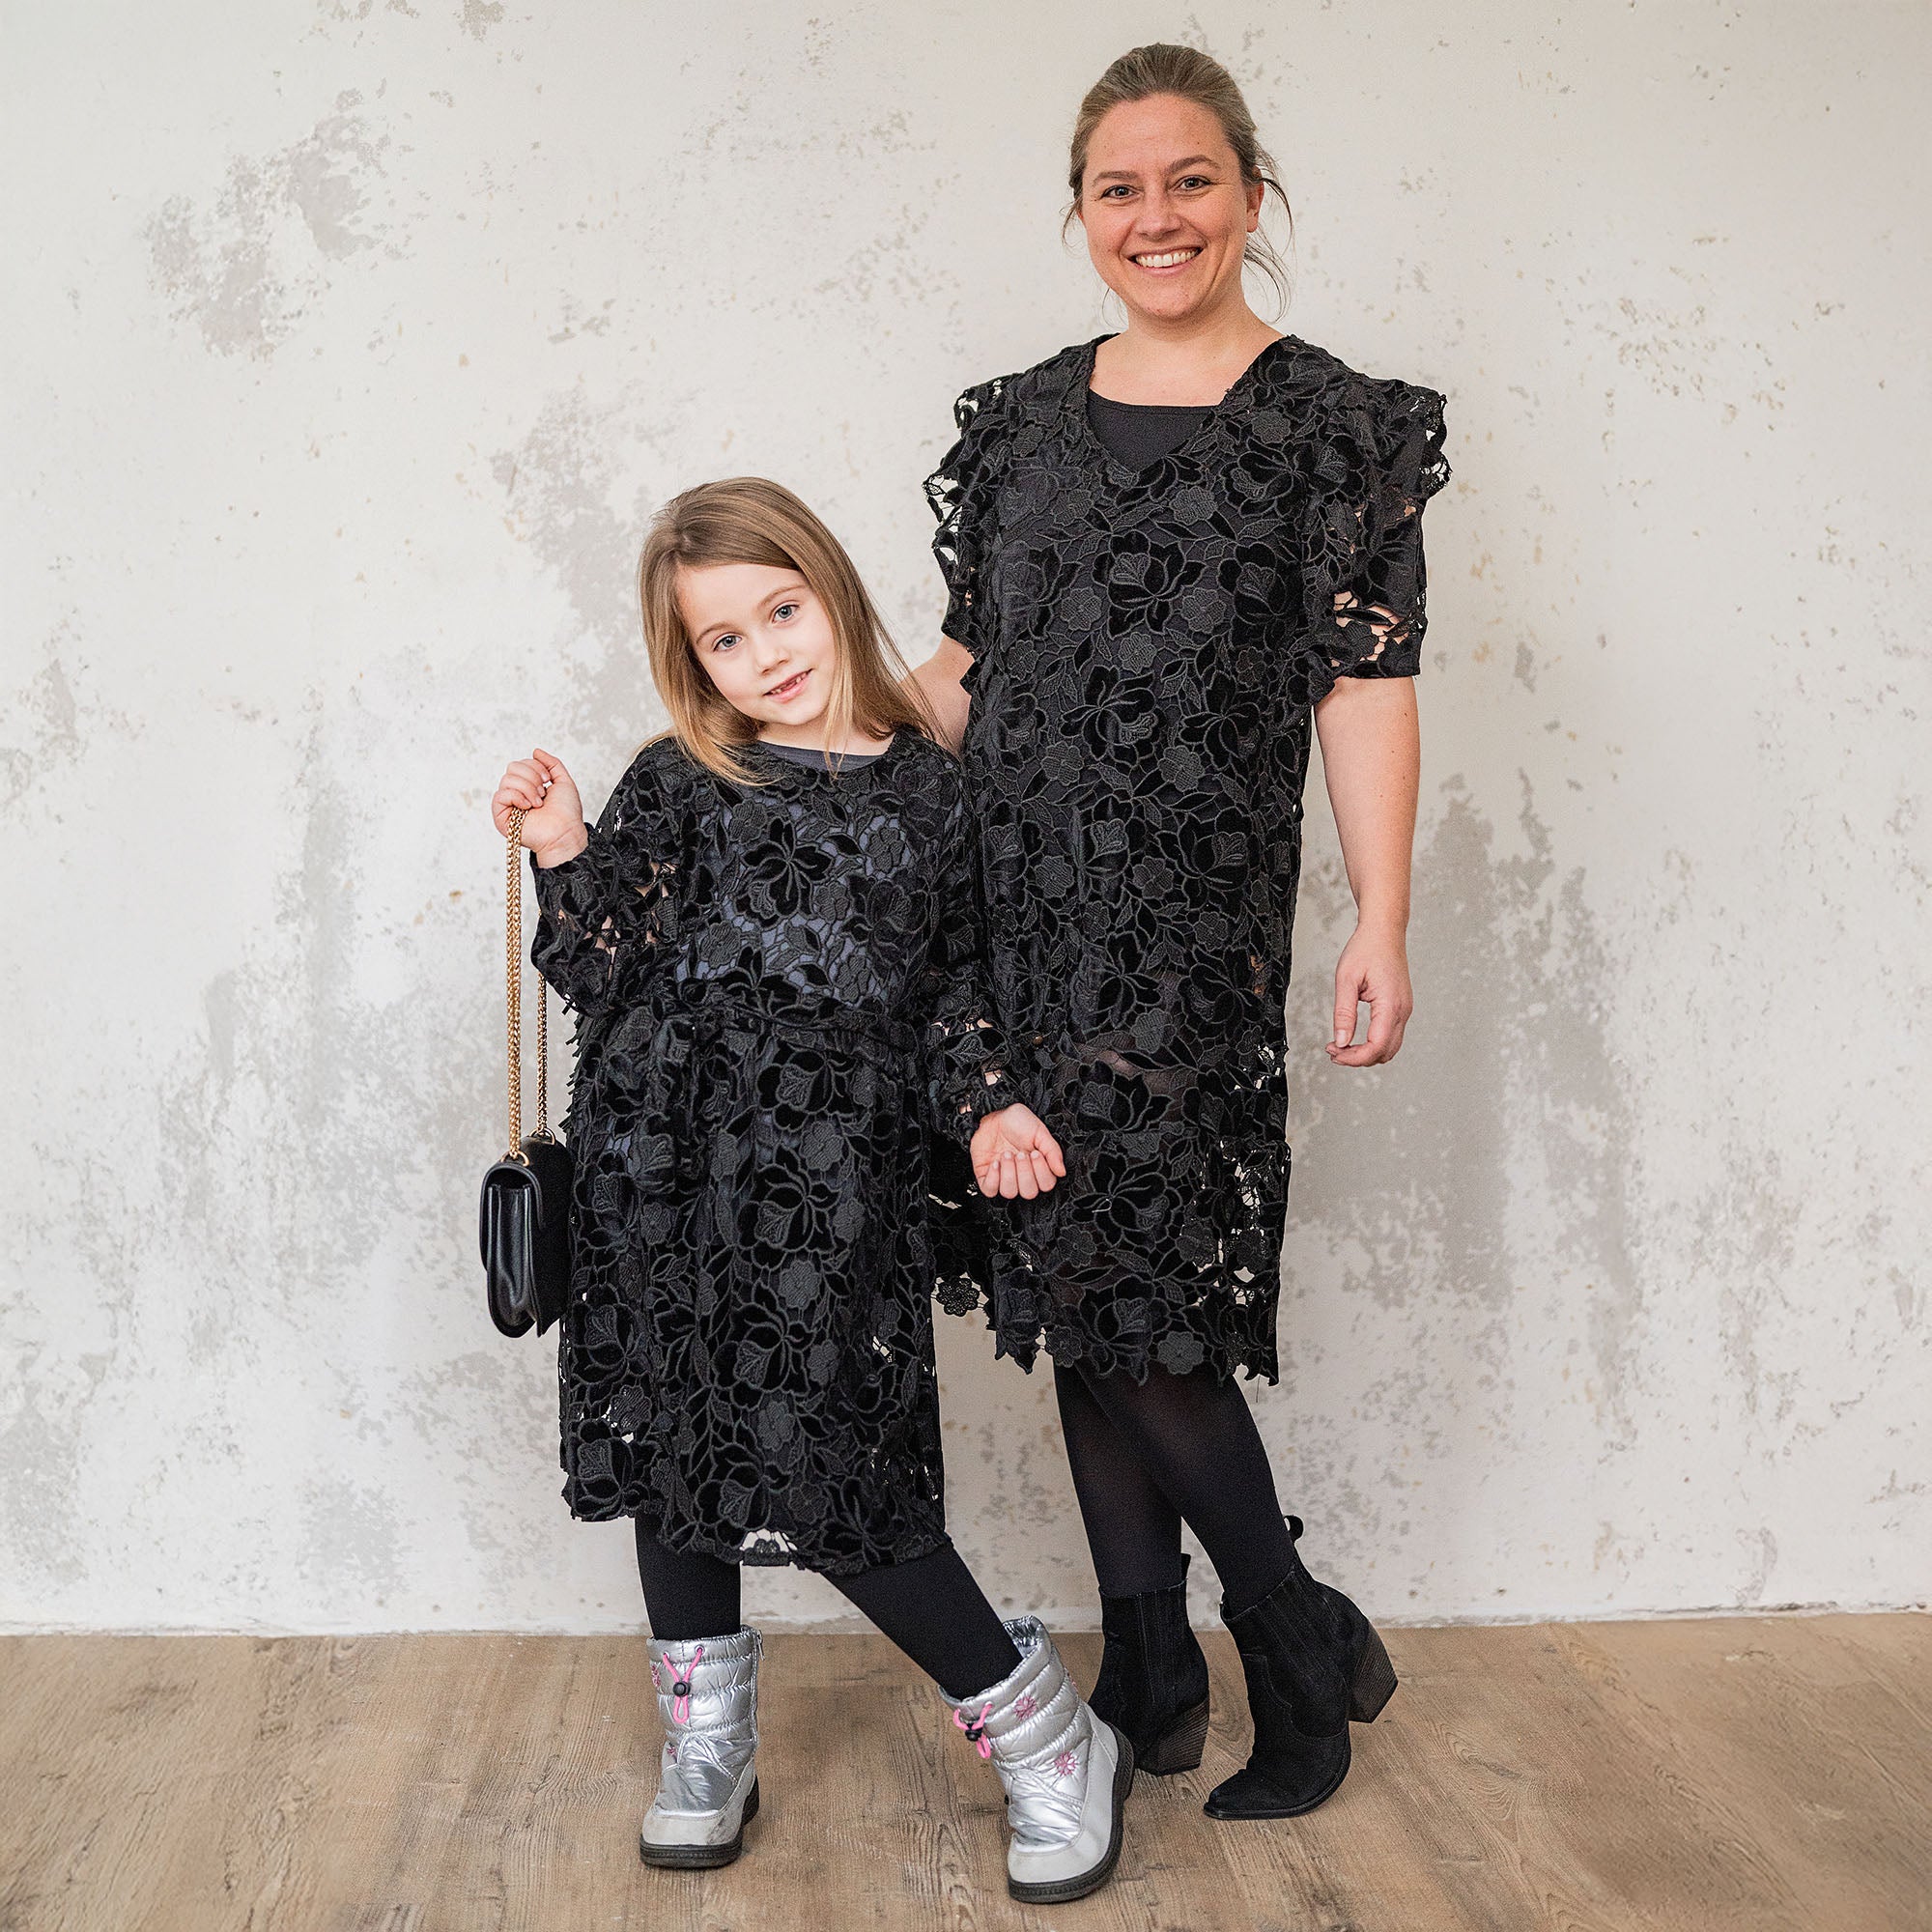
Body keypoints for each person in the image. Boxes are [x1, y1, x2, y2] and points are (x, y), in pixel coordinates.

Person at [909, 44, 1450, 1822]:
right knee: (1073, 1272)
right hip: (1011, 915)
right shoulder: (1017, 424)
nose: (1158, 217)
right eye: (1120, 188)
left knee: (1139, 1292)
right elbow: (966, 673)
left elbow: (1365, 684)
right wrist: (777, 757)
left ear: (1252, 197)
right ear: (1081, 213)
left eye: (1192, 180)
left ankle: (1294, 1642)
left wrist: (1380, 916)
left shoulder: (1333, 426)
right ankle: (1149, 1663)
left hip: (1184, 938)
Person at [490, 477, 1131, 1900]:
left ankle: (1051, 1740)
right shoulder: (680, 781)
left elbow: (952, 991)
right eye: (723, 639)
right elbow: (605, 972)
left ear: (829, 588)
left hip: (823, 1195)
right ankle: (706, 1745)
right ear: (691, 661)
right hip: (654, 1174)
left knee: (840, 1476)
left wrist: (988, 1102)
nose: (765, 653)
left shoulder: (928, 794)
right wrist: (566, 846)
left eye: (780, 611)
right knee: (672, 1447)